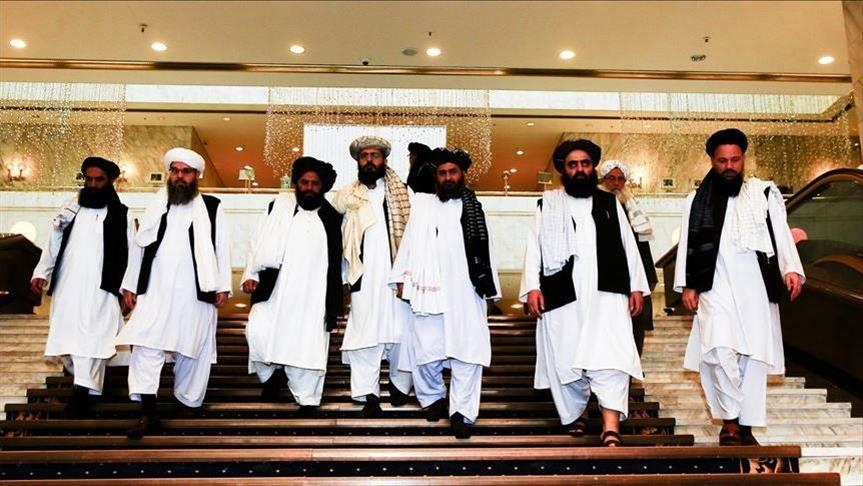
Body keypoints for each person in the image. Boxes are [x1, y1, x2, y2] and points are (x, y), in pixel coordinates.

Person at [674, 128, 804, 446]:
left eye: (735, 159)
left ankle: (745, 426)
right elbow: (688, 244)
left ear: (744, 159)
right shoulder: (696, 200)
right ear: (712, 161)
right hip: (714, 285)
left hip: (756, 286)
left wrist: (790, 268)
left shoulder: (764, 193)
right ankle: (730, 421)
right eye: (722, 161)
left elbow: (781, 233)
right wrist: (688, 285)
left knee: (752, 358)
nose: (729, 166)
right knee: (718, 351)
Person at [520, 139, 648, 447]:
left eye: (585, 164)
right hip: (562, 293)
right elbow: (534, 247)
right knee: (566, 355)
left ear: (593, 168)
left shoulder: (609, 203)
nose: (580, 169)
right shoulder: (547, 204)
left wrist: (636, 286)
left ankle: (610, 425)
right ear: (563, 170)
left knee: (612, 356)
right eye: (573, 165)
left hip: (608, 294)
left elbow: (628, 246)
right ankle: (575, 413)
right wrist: (532, 287)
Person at [118, 147, 232, 439]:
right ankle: (147, 411)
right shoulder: (157, 204)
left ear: (197, 176)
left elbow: (222, 247)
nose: (179, 176)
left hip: (195, 292)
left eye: (186, 172)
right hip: (155, 290)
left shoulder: (212, 207)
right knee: (144, 345)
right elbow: (140, 246)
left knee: (193, 349)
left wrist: (222, 286)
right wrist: (130, 284)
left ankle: (187, 403)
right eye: (175, 171)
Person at [391, 147, 500, 439]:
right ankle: (433, 398)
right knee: (426, 351)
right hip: (429, 291)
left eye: (453, 172)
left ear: (462, 175)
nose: (448, 177)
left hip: (467, 291)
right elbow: (409, 242)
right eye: (442, 173)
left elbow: (486, 251)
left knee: (468, 353)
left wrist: (490, 292)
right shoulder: (423, 206)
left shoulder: (474, 207)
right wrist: (401, 278)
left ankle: (462, 412)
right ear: (436, 177)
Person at [30, 157, 134, 417]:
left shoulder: (123, 214)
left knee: (94, 338)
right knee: (69, 338)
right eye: (89, 179)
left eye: (99, 180)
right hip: (68, 286)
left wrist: (129, 289)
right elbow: (53, 242)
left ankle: (81, 392)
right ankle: (90, 390)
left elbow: (132, 255)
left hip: (102, 289)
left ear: (111, 182)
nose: (93, 185)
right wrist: (42, 272)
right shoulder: (70, 209)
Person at [241, 157, 343, 415]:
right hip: (274, 292)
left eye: (314, 183)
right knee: (257, 332)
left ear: (323, 187)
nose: (309, 188)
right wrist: (250, 274)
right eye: (304, 182)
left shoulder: (333, 218)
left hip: (313, 297)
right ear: (296, 183)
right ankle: (271, 377)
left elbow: (339, 260)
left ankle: (307, 399)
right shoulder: (277, 208)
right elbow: (256, 242)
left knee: (306, 347)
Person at [333, 136, 413, 417]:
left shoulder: (403, 194)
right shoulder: (345, 195)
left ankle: (400, 386)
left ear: (384, 160)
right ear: (358, 161)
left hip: (398, 274)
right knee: (365, 333)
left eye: (374, 155)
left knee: (401, 330)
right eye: (364, 156)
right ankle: (369, 393)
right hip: (363, 275)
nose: (369, 160)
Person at [598, 160, 659, 356]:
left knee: (635, 327)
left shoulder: (632, 209)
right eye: (611, 178)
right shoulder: (595, 207)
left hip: (633, 279)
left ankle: (634, 366)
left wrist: (649, 277)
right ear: (602, 180)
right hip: (605, 280)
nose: (616, 183)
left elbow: (643, 248)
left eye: (620, 179)